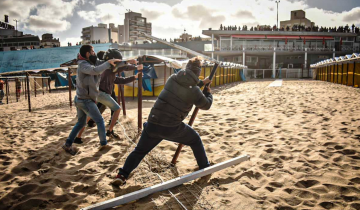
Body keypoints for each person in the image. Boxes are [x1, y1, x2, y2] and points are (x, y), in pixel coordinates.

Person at [112, 56, 213, 186]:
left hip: (153, 122)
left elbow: (185, 85)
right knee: (195, 139)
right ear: (198, 72)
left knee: (139, 151)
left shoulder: (173, 79)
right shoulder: (194, 91)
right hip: (171, 127)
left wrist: (201, 83)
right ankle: (204, 166)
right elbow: (206, 105)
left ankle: (122, 174)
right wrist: (208, 93)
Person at [62, 45, 121, 155]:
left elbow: (102, 63)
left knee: (81, 123)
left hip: (81, 99)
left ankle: (68, 144)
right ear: (88, 54)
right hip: (85, 100)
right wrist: (108, 63)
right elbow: (95, 71)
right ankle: (104, 144)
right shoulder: (83, 65)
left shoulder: (91, 62)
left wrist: (122, 61)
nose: (94, 53)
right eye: (93, 52)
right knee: (99, 121)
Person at [74, 49, 142, 144]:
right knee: (117, 109)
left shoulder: (108, 70)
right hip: (101, 94)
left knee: (88, 116)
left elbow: (119, 80)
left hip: (96, 94)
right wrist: (136, 67)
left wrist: (134, 77)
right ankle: (110, 131)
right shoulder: (110, 68)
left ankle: (78, 137)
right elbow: (124, 67)